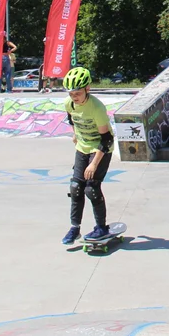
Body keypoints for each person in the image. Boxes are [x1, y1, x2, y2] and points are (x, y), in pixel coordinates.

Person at [60, 67, 115, 245]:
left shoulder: (97, 108)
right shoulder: (69, 104)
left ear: (87, 89)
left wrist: (93, 165)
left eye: (77, 93)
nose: (74, 97)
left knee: (91, 188)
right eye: (71, 93)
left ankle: (102, 228)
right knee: (76, 187)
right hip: (82, 148)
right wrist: (75, 133)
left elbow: (106, 140)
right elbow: (72, 118)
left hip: (100, 149)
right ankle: (75, 228)